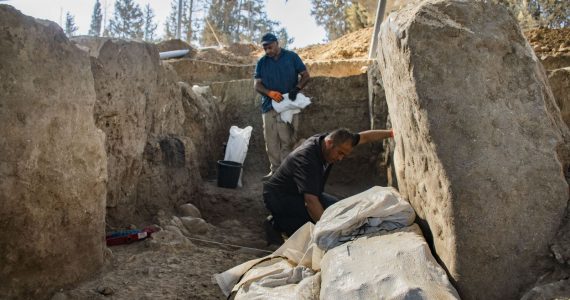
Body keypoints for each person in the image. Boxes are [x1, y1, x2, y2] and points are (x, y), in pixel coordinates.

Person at [262, 128, 394, 242]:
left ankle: (283, 220)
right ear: (329, 143)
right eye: (340, 153)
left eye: (344, 154)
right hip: (279, 197)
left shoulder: (331, 141)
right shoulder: (307, 160)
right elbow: (310, 201)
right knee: (309, 226)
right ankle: (276, 224)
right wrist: (329, 231)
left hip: (299, 191)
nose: (340, 158)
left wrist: (391, 133)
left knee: (338, 209)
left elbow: (364, 137)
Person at [254, 32, 310, 181]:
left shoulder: (291, 57)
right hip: (269, 105)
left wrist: (296, 89)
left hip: (288, 105)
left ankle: (286, 172)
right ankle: (274, 171)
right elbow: (257, 85)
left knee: (287, 139)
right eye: (265, 48)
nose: (268, 51)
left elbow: (306, 75)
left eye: (270, 47)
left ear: (277, 43)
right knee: (271, 140)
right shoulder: (262, 62)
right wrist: (270, 93)